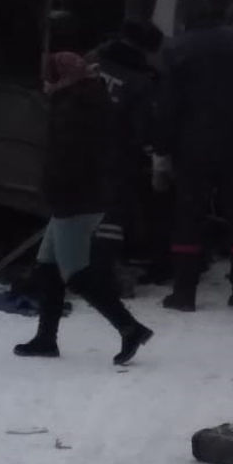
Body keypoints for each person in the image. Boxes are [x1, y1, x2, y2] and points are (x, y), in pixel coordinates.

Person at [14, 53, 153, 365]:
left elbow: (67, 160)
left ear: (62, 77)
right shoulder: (84, 97)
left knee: (74, 272)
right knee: (47, 266)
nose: (45, 83)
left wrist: (55, 193)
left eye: (50, 76)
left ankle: (130, 328)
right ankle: (45, 339)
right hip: (81, 196)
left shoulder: (74, 106)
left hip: (76, 199)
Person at [153, 0, 233, 313]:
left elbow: (168, 106)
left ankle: (184, 293)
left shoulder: (176, 48)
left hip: (192, 146)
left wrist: (161, 150)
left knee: (188, 217)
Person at [88, 20, 165, 285]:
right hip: (114, 155)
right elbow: (143, 127)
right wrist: (153, 151)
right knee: (110, 216)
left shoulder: (91, 62)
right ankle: (103, 274)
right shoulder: (139, 81)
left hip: (75, 147)